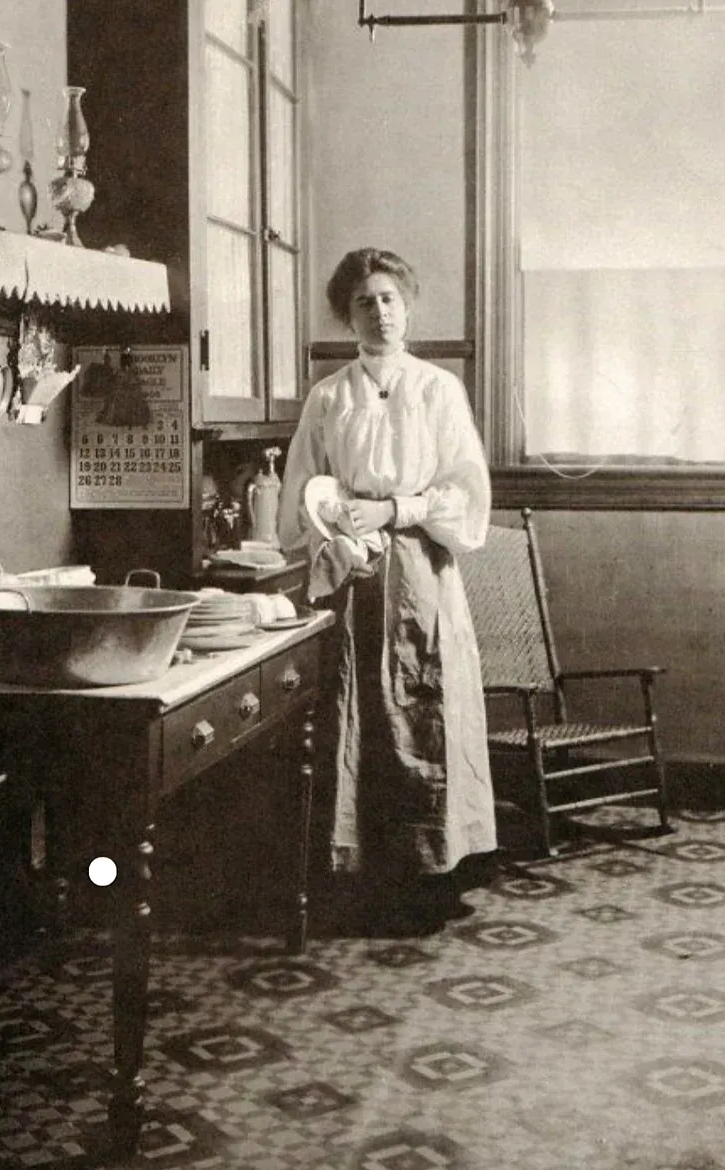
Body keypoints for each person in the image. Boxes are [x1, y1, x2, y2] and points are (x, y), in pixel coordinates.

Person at [277, 247, 497, 935]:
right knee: (358, 712)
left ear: (409, 305)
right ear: (348, 316)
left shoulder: (436, 390)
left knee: (424, 709)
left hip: (421, 570)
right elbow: (302, 489)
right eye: (365, 302)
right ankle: (359, 877)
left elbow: (465, 488)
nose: (380, 313)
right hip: (354, 573)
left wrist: (396, 511)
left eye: (390, 299)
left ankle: (431, 875)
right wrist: (335, 528)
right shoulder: (329, 396)